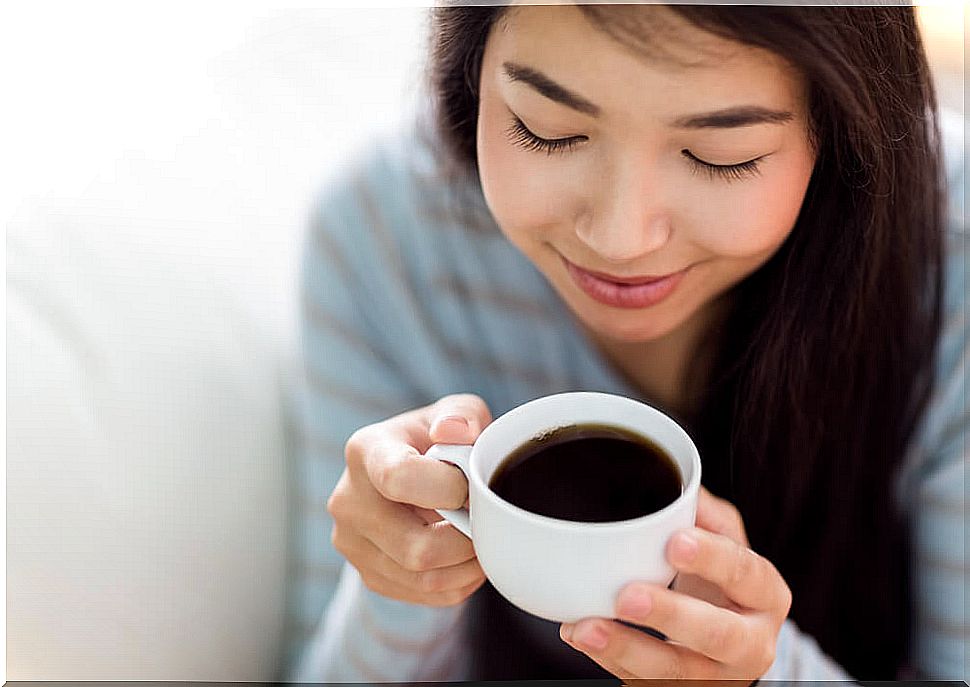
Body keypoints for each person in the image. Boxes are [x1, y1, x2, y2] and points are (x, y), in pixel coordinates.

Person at [283, 4, 967, 682]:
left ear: (846, 128)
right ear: (472, 73)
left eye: (718, 155)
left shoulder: (953, 268)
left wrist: (767, 673)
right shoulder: (384, 236)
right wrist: (399, 580)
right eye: (547, 132)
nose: (620, 239)